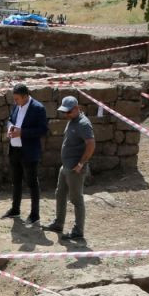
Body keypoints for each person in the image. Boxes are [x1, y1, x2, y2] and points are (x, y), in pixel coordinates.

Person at [43, 96, 96, 241]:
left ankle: (78, 231)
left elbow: (91, 145)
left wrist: (81, 164)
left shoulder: (84, 124)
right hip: (66, 167)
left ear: (76, 108)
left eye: (68, 112)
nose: (66, 115)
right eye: (64, 112)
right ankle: (58, 223)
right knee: (60, 194)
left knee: (76, 199)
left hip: (75, 169)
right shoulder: (73, 120)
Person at [3, 83, 49, 223]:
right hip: (15, 149)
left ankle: (34, 215)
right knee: (16, 181)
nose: (15, 102)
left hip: (29, 152)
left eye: (17, 99)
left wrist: (22, 133)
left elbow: (43, 130)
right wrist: (10, 127)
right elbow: (11, 119)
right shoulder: (16, 105)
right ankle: (15, 209)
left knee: (32, 183)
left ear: (25, 96)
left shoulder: (38, 108)